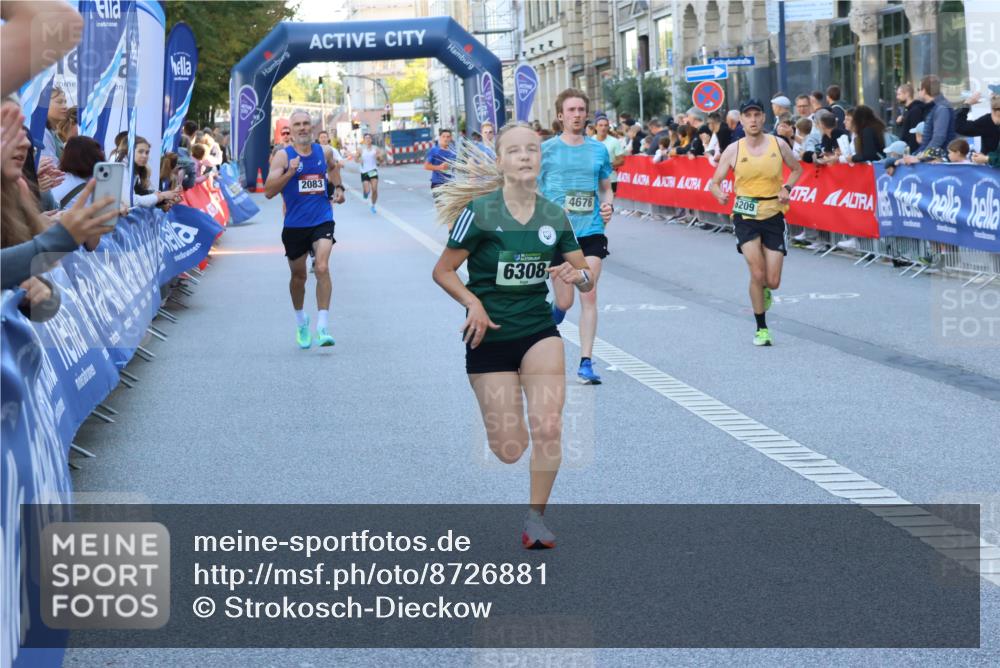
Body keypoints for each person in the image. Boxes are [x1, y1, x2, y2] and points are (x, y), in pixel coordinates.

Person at [431, 122, 594, 549]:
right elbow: (442, 270)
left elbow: (586, 277)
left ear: (540, 160)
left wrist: (573, 275)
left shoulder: (553, 215)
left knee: (549, 426)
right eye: (515, 151)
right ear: (501, 161)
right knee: (509, 447)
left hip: (537, 330)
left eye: (532, 150)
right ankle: (509, 419)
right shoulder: (480, 213)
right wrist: (473, 303)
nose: (525, 156)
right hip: (489, 338)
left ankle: (535, 520)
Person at [708, 99, 802, 347]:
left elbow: (796, 169)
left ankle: (765, 289)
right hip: (745, 214)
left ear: (763, 118)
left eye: (756, 115)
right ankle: (761, 327)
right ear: (741, 121)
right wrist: (719, 194)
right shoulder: (734, 150)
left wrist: (787, 187)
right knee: (757, 272)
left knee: (772, 280)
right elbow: (714, 182)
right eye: (747, 115)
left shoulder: (778, 144)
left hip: (773, 212)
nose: (752, 120)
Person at [540, 88, 613, 385]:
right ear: (560, 116)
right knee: (566, 301)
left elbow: (606, 185)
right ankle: (557, 310)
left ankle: (585, 361)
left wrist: (608, 204)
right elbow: (529, 187)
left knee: (590, 290)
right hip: (559, 234)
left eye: (581, 109)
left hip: (592, 229)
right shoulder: (546, 150)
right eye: (571, 110)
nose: (577, 115)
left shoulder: (598, 149)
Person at [263, 110, 345, 349]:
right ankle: (301, 321)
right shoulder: (282, 156)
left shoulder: (324, 151)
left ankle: (322, 327)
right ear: (290, 129)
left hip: (322, 219)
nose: (302, 128)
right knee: (298, 277)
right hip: (295, 225)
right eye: (297, 124)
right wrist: (291, 172)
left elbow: (333, 167)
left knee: (322, 267)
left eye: (306, 123)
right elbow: (268, 191)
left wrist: (339, 188)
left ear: (312, 127)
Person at [132, 136, 181, 209]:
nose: (145, 156)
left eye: (147, 153)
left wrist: (165, 199)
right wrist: (163, 196)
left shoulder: (142, 170)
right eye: (140, 152)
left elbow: (142, 193)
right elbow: (133, 200)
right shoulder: (130, 171)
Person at [915, 74, 956, 158]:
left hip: (937, 162)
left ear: (924, 90)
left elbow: (938, 138)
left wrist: (922, 156)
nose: (918, 92)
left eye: (919, 89)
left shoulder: (941, 107)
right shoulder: (938, 106)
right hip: (934, 159)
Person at [955, 92, 1000, 156]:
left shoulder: (989, 121)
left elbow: (959, 126)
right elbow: (960, 127)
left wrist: (967, 104)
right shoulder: (988, 121)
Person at [594, 113, 624, 193]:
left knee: (607, 204)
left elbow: (621, 160)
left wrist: (608, 165)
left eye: (605, 125)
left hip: (610, 179)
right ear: (595, 127)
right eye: (600, 125)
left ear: (608, 127)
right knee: (595, 204)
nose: (603, 128)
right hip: (593, 179)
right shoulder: (589, 141)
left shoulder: (614, 141)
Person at [895, 84, 927, 153]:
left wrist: (910, 151)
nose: (897, 97)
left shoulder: (915, 110)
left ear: (907, 94)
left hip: (912, 150)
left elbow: (914, 133)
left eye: (899, 94)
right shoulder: (908, 110)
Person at [356, 132, 382, 213]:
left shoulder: (376, 149)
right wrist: (359, 160)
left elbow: (381, 160)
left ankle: (373, 205)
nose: (368, 140)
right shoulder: (360, 149)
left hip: (373, 170)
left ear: (371, 140)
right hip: (364, 171)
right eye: (366, 138)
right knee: (367, 190)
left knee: (374, 189)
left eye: (369, 138)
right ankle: (365, 193)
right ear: (364, 140)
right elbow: (356, 159)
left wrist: (378, 158)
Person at [41, 86, 69, 161]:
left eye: (65, 102)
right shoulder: (43, 134)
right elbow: (52, 168)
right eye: (59, 102)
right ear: (44, 104)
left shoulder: (51, 132)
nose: (65, 106)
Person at [424, 128, 455, 195]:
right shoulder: (434, 150)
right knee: (441, 205)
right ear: (440, 137)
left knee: (450, 205)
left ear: (450, 138)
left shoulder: (453, 152)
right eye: (443, 136)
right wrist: (439, 167)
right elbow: (426, 166)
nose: (446, 139)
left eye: (448, 137)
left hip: (450, 183)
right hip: (437, 183)